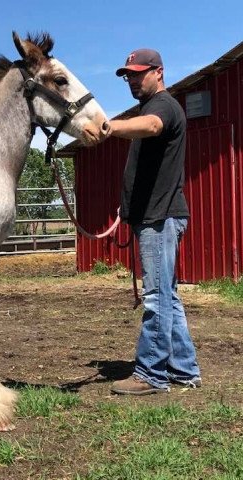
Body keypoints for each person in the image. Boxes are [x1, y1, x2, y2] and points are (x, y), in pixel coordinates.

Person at [106, 48, 201, 395]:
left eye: (138, 73)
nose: (131, 79)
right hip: (156, 216)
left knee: (157, 298)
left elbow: (151, 125)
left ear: (158, 72)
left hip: (160, 219)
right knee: (167, 296)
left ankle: (151, 374)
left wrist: (109, 126)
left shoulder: (161, 107)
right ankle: (184, 369)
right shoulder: (152, 106)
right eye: (128, 75)